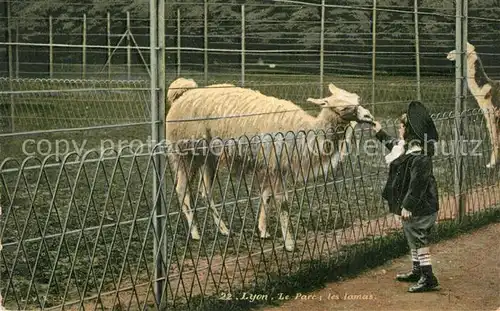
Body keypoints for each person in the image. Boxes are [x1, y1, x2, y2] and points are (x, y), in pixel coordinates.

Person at [372, 100, 440, 293]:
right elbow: (393, 145)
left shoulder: (420, 157)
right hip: (417, 206)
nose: (399, 129)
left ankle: (428, 277)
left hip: (421, 206)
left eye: (402, 127)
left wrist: (408, 205)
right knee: (412, 236)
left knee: (418, 239)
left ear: (409, 131)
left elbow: (418, 186)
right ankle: (418, 270)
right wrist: (379, 132)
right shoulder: (409, 149)